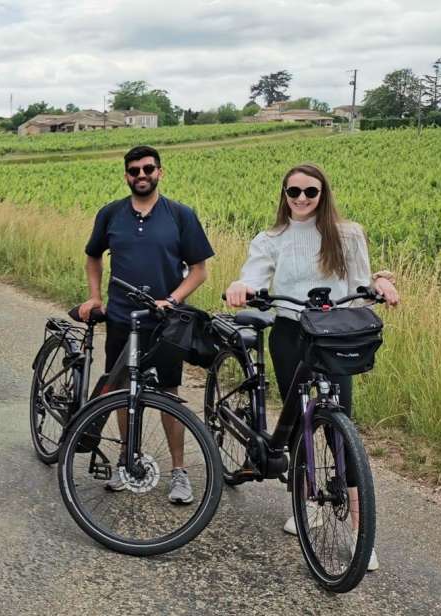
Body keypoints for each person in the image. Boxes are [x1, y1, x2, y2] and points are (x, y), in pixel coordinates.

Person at [224, 163, 399, 572]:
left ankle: (359, 533)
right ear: (283, 195)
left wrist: (381, 282)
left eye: (311, 192)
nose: (301, 199)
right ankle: (307, 503)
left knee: (342, 424)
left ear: (324, 194)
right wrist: (242, 286)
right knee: (299, 415)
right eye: (293, 192)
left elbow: (359, 285)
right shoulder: (271, 238)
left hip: (334, 333)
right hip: (290, 331)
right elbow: (253, 275)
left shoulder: (347, 233)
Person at [80, 144, 215, 505]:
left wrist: (172, 299)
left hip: (165, 321)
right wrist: (95, 297)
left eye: (148, 169)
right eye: (134, 170)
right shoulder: (111, 214)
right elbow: (93, 256)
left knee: (168, 392)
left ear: (160, 172)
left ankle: (179, 473)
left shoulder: (180, 215)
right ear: (126, 175)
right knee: (123, 390)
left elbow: (199, 270)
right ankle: (128, 461)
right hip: (123, 318)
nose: (142, 175)